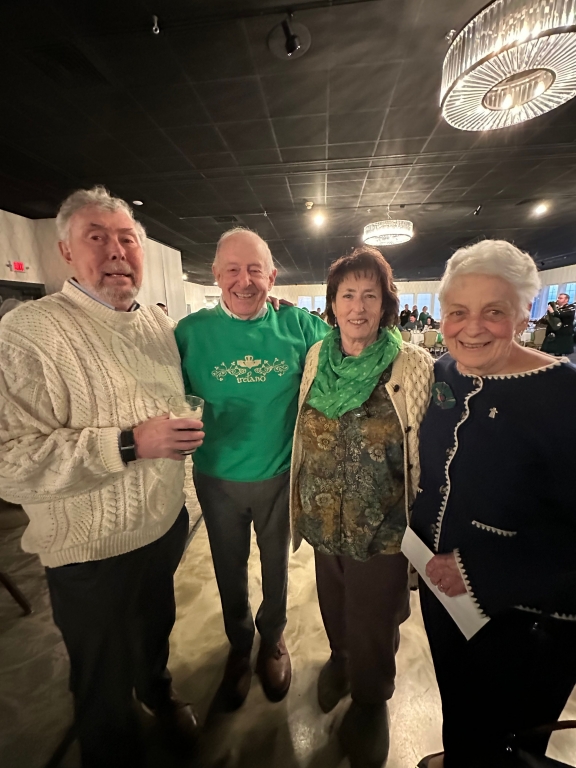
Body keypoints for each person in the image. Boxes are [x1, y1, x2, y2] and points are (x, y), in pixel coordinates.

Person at [0, 186, 204, 768]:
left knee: (154, 633)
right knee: (101, 682)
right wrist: (129, 443)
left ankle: (158, 693)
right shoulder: (29, 332)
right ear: (66, 251)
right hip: (90, 552)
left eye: (127, 239)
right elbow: (10, 463)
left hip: (162, 525)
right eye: (97, 238)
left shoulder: (157, 324)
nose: (116, 251)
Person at [407, 240, 576, 768]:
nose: (472, 328)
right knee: (460, 702)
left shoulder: (565, 394)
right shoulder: (442, 372)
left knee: (512, 734)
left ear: (525, 315)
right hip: (442, 595)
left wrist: (479, 570)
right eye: (458, 312)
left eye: (494, 312)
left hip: (525, 617)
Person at [290, 246, 433, 768]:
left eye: (370, 295)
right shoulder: (317, 356)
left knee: (374, 616)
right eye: (347, 295)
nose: (357, 307)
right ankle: (340, 656)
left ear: (385, 304)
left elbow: (426, 447)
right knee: (334, 601)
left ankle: (372, 697)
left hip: (383, 526)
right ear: (331, 303)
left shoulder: (411, 363)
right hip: (322, 515)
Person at [175, 228, 327, 710]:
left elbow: (354, 348)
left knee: (277, 564)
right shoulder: (188, 333)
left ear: (272, 276)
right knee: (228, 567)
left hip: (279, 475)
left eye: (255, 270)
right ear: (216, 275)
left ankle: (273, 637)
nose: (245, 281)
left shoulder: (299, 325)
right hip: (216, 477)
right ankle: (240, 645)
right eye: (233, 270)